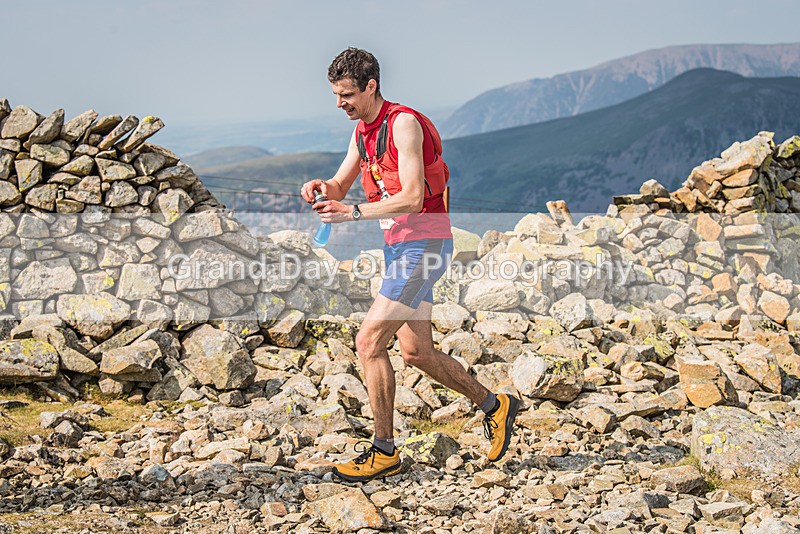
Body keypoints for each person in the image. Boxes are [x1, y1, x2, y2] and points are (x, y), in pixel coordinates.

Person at [300, 47, 520, 482]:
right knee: (417, 353)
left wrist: (354, 213)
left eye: (346, 94)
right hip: (399, 249)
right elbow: (342, 184)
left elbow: (415, 197)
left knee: (368, 343)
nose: (340, 103)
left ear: (371, 86)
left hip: (426, 246)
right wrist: (322, 188)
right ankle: (495, 405)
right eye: (335, 95)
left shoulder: (403, 124)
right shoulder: (362, 132)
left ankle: (384, 451)